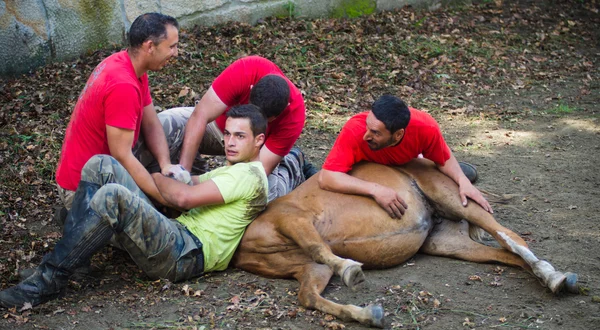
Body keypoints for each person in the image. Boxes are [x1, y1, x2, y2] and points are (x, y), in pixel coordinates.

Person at [0, 105, 268, 309]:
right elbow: (184, 183)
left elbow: (184, 197)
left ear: (259, 140)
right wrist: (167, 182)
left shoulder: (250, 176)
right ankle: (77, 264)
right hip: (175, 235)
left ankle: (46, 282)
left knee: (113, 195)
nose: (230, 142)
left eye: (240, 136)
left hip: (186, 253)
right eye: (227, 134)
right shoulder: (229, 171)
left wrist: (162, 179)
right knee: (101, 165)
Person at [55, 12, 188, 211]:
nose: (176, 53)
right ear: (150, 46)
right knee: (159, 227)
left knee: (175, 123)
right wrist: (161, 197)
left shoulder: (130, 66)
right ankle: (77, 217)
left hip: (108, 165)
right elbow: (121, 155)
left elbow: (151, 124)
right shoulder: (122, 85)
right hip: (83, 190)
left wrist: (166, 165)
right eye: (171, 46)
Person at [158, 55, 316, 202]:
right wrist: (183, 173)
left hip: (256, 152)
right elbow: (200, 116)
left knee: (264, 198)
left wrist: (197, 195)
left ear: (275, 116)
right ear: (252, 88)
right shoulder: (248, 69)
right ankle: (195, 169)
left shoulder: (294, 115)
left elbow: (255, 174)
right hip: (218, 129)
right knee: (166, 122)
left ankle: (293, 163)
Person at [318, 95, 492, 218]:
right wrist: (375, 190)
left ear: (398, 134)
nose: (366, 136)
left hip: (409, 164)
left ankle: (452, 173)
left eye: (375, 133)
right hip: (368, 169)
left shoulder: (425, 127)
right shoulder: (354, 130)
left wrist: (463, 182)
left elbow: (444, 158)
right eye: (367, 126)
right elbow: (327, 177)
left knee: (444, 171)